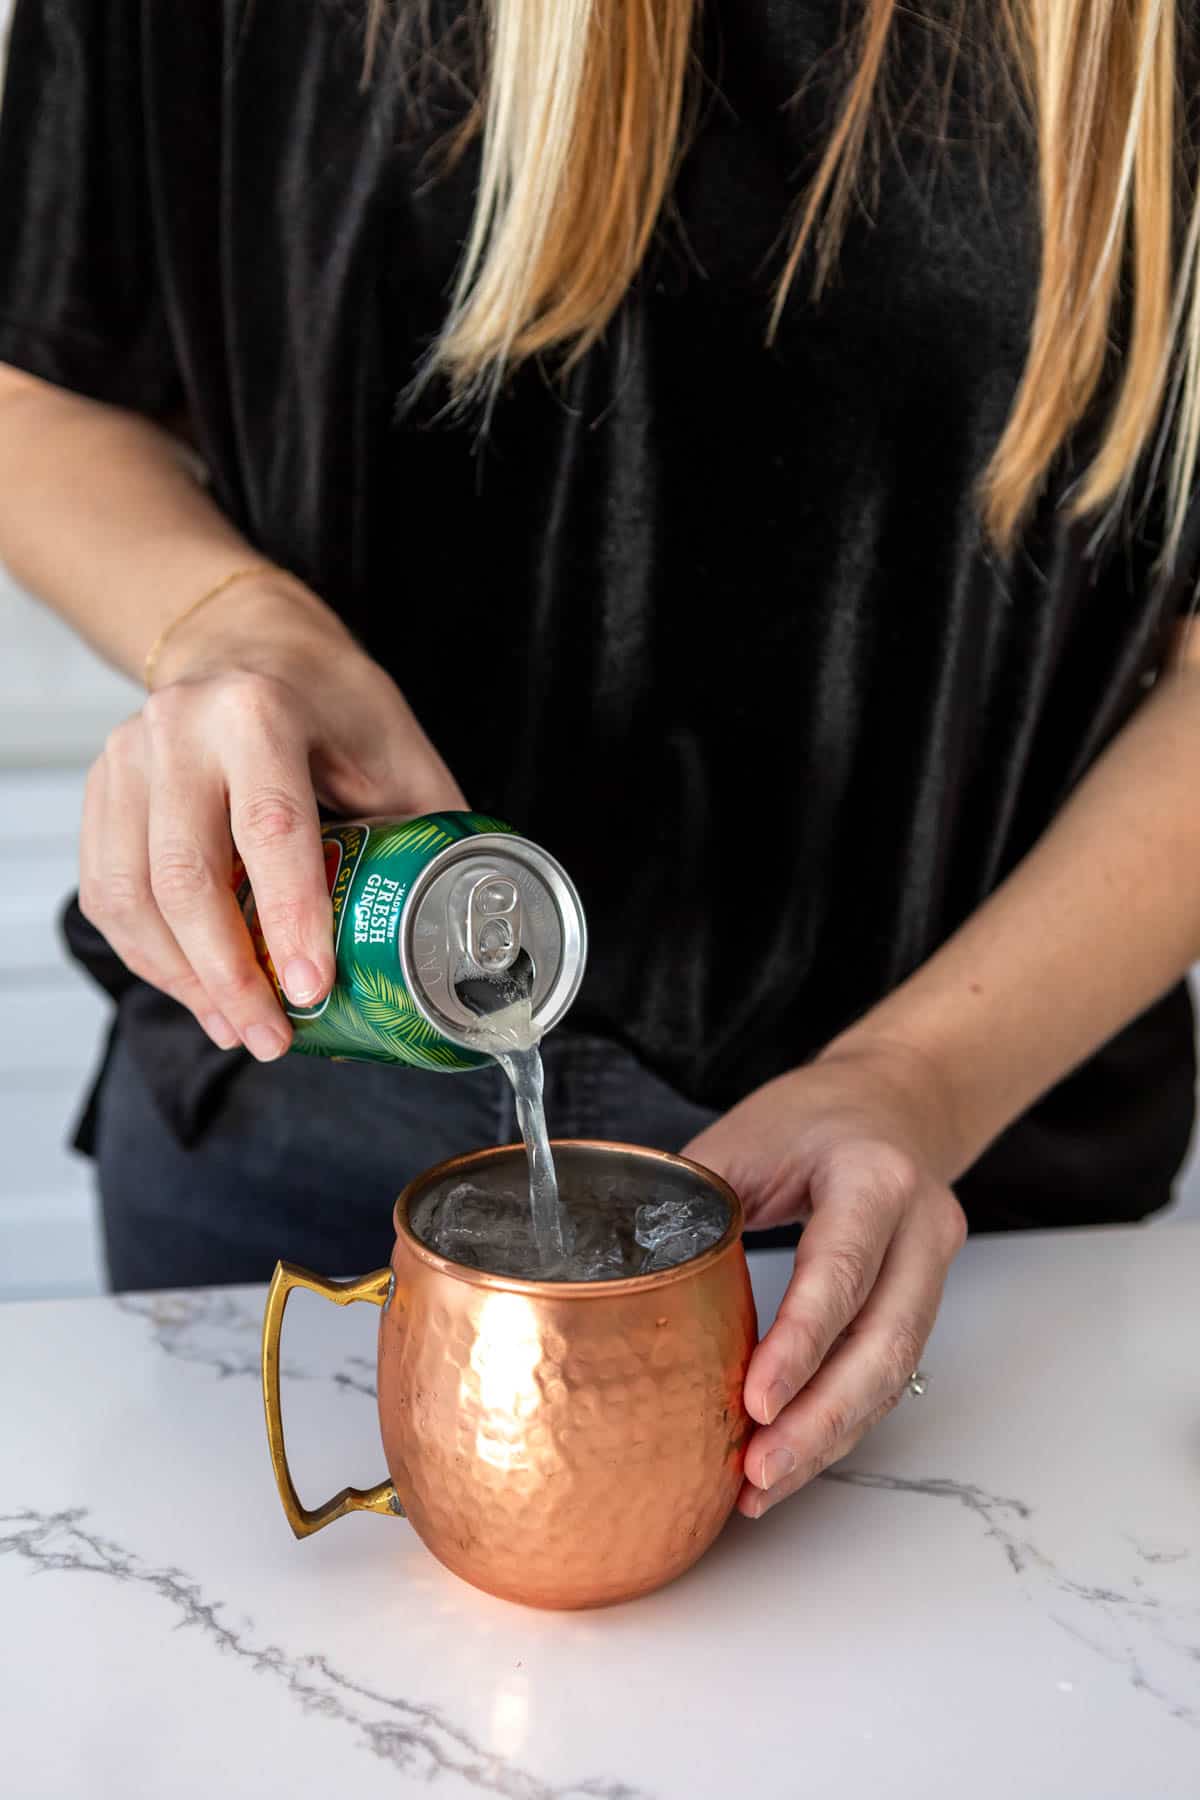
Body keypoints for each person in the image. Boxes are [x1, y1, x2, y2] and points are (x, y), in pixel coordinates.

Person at [0, 0, 1197, 1521]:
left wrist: (919, 1078)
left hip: (967, 1202)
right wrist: (231, 623)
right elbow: (36, 382)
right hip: (301, 1126)